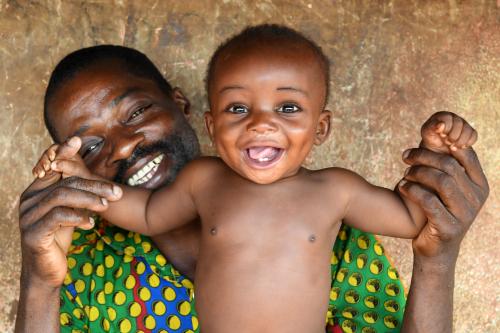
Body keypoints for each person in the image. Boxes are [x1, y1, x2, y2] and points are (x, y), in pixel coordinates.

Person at [16, 40, 489, 333]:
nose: (121, 148)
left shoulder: (336, 210)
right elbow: (142, 211)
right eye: (90, 143)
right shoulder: (85, 266)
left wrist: (437, 163)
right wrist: (44, 266)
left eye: (136, 112)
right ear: (213, 120)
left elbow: (416, 220)